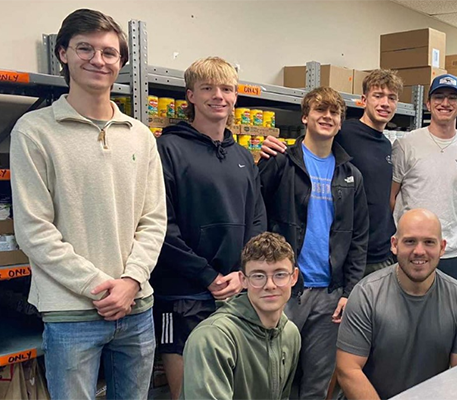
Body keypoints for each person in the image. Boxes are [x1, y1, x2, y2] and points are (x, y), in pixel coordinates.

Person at [9, 9, 167, 400]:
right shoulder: (34, 131)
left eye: (109, 53)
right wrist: (101, 288)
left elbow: (153, 220)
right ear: (63, 53)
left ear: (121, 63)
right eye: (85, 48)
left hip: (137, 308)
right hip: (71, 314)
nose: (98, 60)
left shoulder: (141, 136)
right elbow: (34, 230)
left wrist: (131, 283)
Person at [150, 56, 268, 399]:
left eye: (227, 89)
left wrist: (242, 274)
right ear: (191, 95)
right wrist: (208, 277)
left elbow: (256, 222)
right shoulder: (167, 149)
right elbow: (161, 227)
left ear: (235, 97)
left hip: (236, 291)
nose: (219, 96)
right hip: (183, 295)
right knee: (189, 393)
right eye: (208, 88)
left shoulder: (244, 156)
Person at [258, 87, 368, 400]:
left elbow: (359, 236)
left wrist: (350, 291)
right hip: (285, 289)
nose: (327, 117)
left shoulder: (351, 175)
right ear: (305, 117)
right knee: (273, 380)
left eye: (334, 113)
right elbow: (255, 214)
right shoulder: (280, 162)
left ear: (340, 123)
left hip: (330, 296)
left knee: (317, 386)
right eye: (320, 110)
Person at [261, 69, 404, 276]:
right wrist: (274, 146)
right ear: (364, 100)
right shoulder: (343, 132)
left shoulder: (387, 144)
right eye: (378, 96)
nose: (385, 103)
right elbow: (312, 145)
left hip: (380, 252)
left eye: (391, 98)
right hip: (343, 255)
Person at [336, 209, 457, 400]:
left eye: (429, 242)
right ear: (394, 245)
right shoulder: (366, 295)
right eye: (410, 241)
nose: (419, 251)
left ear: (442, 247)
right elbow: (348, 370)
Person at [181, 232, 301, 400]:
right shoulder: (212, 338)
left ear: (294, 277)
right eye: (258, 276)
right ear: (243, 280)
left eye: (280, 274)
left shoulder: (290, 333)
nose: (270, 285)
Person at [390, 74, 457, 281]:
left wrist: (447, 222)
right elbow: (392, 196)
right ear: (428, 104)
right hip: (409, 249)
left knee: (446, 312)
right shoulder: (406, 144)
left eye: (452, 98)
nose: (445, 103)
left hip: (450, 251)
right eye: (439, 97)